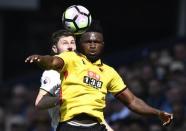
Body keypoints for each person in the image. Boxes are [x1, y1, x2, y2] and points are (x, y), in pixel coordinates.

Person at [25, 21, 173, 131]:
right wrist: (40, 59)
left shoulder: (109, 72)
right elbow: (52, 61)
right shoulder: (71, 59)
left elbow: (132, 101)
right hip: (70, 125)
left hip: (97, 126)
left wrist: (157, 112)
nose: (92, 45)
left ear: (103, 44)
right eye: (88, 41)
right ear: (80, 44)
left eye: (96, 42)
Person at [33, 29, 113, 131]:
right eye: (65, 43)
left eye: (72, 42)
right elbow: (40, 103)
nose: (70, 46)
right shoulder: (52, 73)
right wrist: (63, 98)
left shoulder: (82, 69)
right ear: (55, 48)